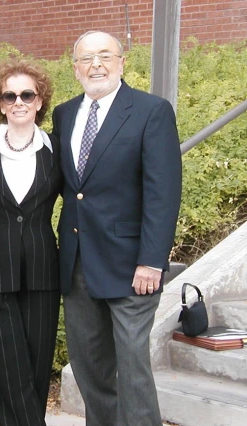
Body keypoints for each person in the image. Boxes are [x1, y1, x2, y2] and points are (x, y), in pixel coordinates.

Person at [52, 31, 182, 426]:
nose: (96, 65)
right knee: (91, 371)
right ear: (75, 69)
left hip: (132, 268)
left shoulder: (150, 111)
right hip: (77, 266)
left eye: (105, 56)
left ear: (122, 62)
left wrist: (152, 261)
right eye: (86, 58)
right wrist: (3, 137)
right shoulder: (64, 114)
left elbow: (163, 193)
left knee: (133, 370)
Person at [0, 59, 62, 425]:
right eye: (10, 95)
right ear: (1, 103)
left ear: (40, 102)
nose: (18, 101)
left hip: (42, 272)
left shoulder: (57, 149)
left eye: (27, 94)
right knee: (4, 367)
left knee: (36, 367)